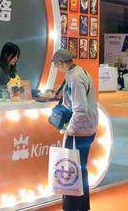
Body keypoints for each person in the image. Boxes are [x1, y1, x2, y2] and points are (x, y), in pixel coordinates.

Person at [51, 49, 98, 211]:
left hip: (80, 131)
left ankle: (72, 207)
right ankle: (81, 206)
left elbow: (80, 109)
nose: (56, 68)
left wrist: (70, 129)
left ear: (62, 63)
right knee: (80, 169)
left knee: (72, 169)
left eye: (56, 64)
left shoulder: (74, 78)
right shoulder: (78, 72)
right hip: (86, 128)